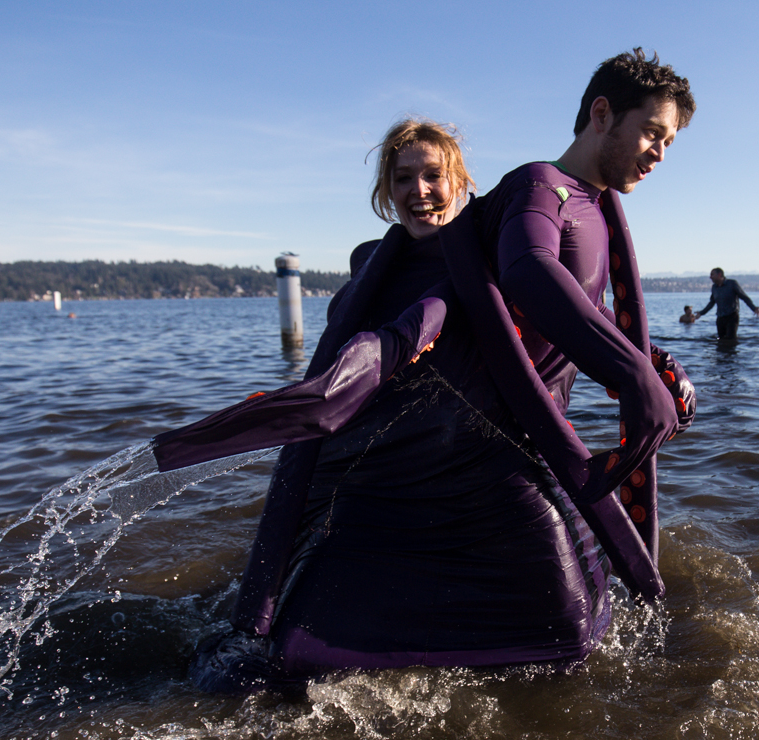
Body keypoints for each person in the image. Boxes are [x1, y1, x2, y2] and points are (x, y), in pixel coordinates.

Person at [156, 50, 696, 693]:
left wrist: (651, 363)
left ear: (461, 181)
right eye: (403, 177)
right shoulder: (510, 208)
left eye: (433, 174)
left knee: (565, 641)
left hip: (495, 460)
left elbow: (564, 309)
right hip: (392, 471)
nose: (420, 189)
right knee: (302, 665)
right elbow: (521, 279)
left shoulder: (495, 242)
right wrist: (631, 374)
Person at [694, 267, 759, 339]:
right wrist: (701, 313)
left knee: (731, 339)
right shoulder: (714, 287)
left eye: (712, 275)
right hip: (720, 318)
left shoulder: (732, 284)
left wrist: (753, 308)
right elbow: (711, 303)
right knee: (721, 340)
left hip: (732, 316)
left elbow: (744, 297)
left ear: (719, 275)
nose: (710, 277)